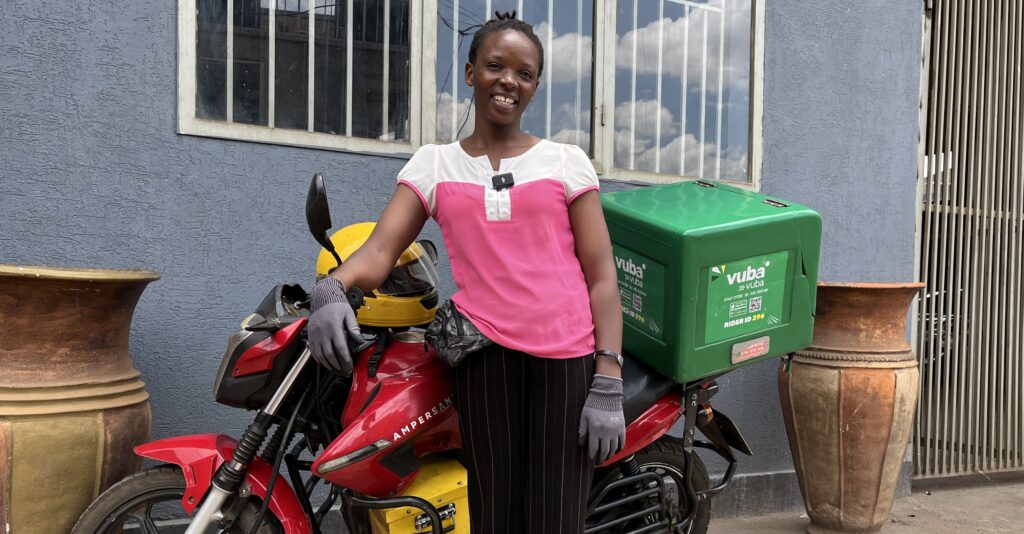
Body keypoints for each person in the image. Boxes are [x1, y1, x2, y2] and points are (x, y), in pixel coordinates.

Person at [307, 11, 625, 533]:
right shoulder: (434, 165)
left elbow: (601, 276)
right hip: (484, 360)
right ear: (471, 71)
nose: (509, 82)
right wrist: (332, 286)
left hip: (565, 362)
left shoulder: (566, 162)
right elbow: (380, 251)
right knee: (494, 512)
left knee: (555, 517)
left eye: (524, 74)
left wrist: (607, 377)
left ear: (536, 87)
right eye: (496, 66)